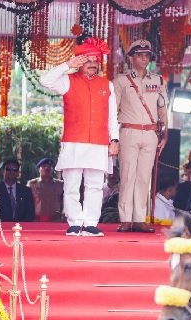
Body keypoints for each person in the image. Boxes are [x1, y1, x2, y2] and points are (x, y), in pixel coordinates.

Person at [40, 37, 119, 237]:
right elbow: (45, 80)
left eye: (95, 60)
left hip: (99, 141)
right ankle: (75, 222)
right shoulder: (68, 81)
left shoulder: (106, 85)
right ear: (79, 61)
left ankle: (91, 223)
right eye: (87, 59)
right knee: (72, 184)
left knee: (95, 185)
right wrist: (67, 65)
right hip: (74, 140)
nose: (92, 63)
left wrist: (115, 140)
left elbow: (112, 116)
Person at [113, 39, 168, 233]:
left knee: (144, 177)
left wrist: (165, 131)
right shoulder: (120, 80)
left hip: (151, 132)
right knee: (127, 175)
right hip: (129, 130)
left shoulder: (158, 80)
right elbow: (113, 110)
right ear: (131, 58)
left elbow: (162, 107)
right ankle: (126, 219)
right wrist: (113, 137)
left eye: (147, 55)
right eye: (139, 55)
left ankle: (139, 218)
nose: (144, 58)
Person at [27, 158, 64, 222]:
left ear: (52, 169)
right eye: (43, 166)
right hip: (37, 220)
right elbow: (27, 203)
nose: (47, 168)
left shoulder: (60, 184)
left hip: (55, 220)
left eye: (49, 166)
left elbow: (64, 202)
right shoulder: (32, 184)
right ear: (39, 169)